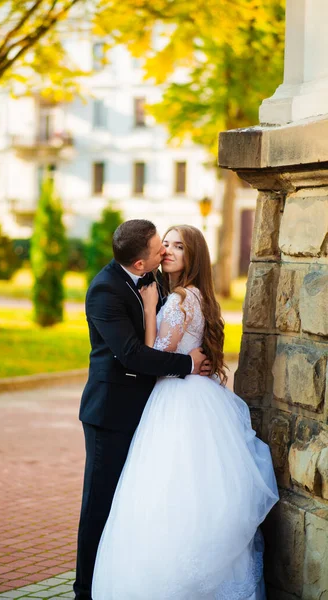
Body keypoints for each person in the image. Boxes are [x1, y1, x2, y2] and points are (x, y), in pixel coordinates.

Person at [92, 225, 279, 600]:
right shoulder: (199, 296)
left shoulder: (177, 300)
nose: (169, 251)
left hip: (176, 398)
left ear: (193, 256)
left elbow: (156, 358)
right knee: (193, 490)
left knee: (167, 490)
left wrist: (148, 311)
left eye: (179, 246)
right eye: (166, 243)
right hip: (197, 397)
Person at [74, 220, 212, 600]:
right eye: (158, 248)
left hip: (149, 411)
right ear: (139, 264)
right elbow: (133, 354)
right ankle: (85, 590)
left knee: (134, 501)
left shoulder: (159, 285)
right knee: (99, 504)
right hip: (111, 414)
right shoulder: (104, 290)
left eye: (170, 246)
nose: (164, 252)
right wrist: (188, 365)